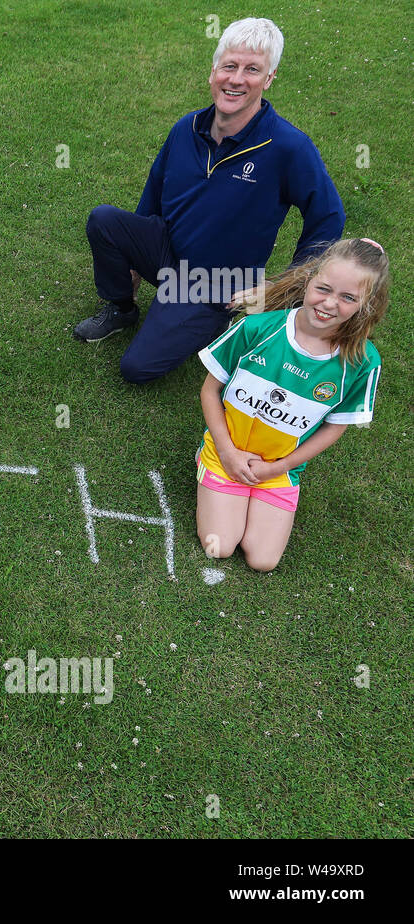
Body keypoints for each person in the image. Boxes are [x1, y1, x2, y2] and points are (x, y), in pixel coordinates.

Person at [75, 17, 345, 383]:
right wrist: (133, 261)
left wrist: (286, 286)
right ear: (213, 72)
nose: (236, 79)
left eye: (252, 70)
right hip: (167, 251)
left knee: (137, 369)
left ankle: (214, 316)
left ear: (269, 79)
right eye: (229, 66)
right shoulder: (186, 128)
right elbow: (153, 193)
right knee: (104, 220)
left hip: (218, 281)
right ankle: (122, 309)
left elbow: (328, 216)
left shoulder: (288, 147)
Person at [195, 238, 386, 572]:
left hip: (279, 469)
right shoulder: (257, 327)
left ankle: (259, 487)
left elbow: (334, 427)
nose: (329, 303)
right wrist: (226, 451)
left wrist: (277, 468)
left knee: (263, 560)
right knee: (219, 546)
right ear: (309, 279)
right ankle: (207, 458)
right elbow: (209, 392)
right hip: (225, 452)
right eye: (324, 288)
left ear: (365, 304)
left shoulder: (363, 362)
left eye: (347, 298)